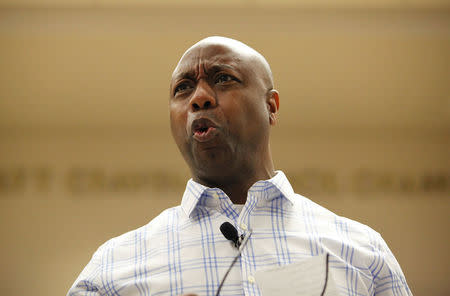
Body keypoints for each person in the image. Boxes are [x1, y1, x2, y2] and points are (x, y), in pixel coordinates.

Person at [67, 36, 411, 296]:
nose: (199, 97)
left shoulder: (363, 253)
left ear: (272, 107)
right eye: (183, 88)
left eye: (223, 79)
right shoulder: (113, 268)